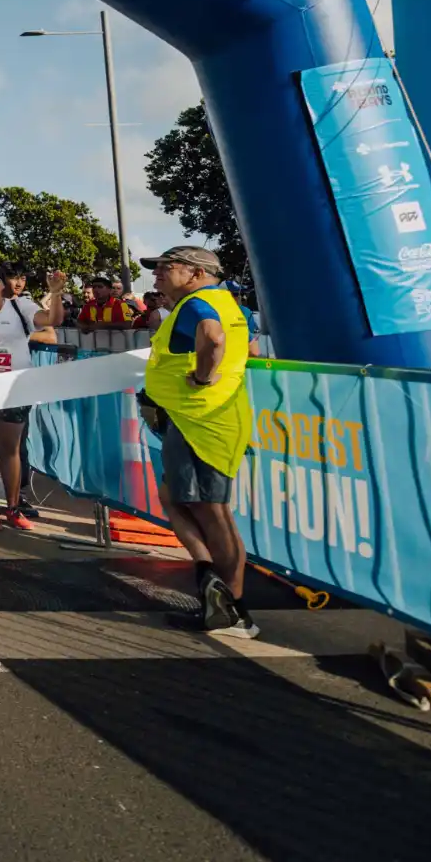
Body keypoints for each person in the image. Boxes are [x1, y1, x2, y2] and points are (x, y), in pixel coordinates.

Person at [139, 245, 259, 638]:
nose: (156, 274)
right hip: (210, 417)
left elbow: (214, 338)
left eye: (165, 267)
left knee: (213, 512)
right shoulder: (227, 302)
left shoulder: (197, 305)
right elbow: (249, 346)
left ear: (194, 272)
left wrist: (203, 378)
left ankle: (232, 610)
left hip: (203, 419)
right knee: (176, 498)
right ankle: (213, 583)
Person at [0, 265, 64, 530]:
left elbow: (52, 321)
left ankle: (13, 507)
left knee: (10, 449)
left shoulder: (21, 307)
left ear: (3, 284)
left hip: (14, 389)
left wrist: (55, 293)